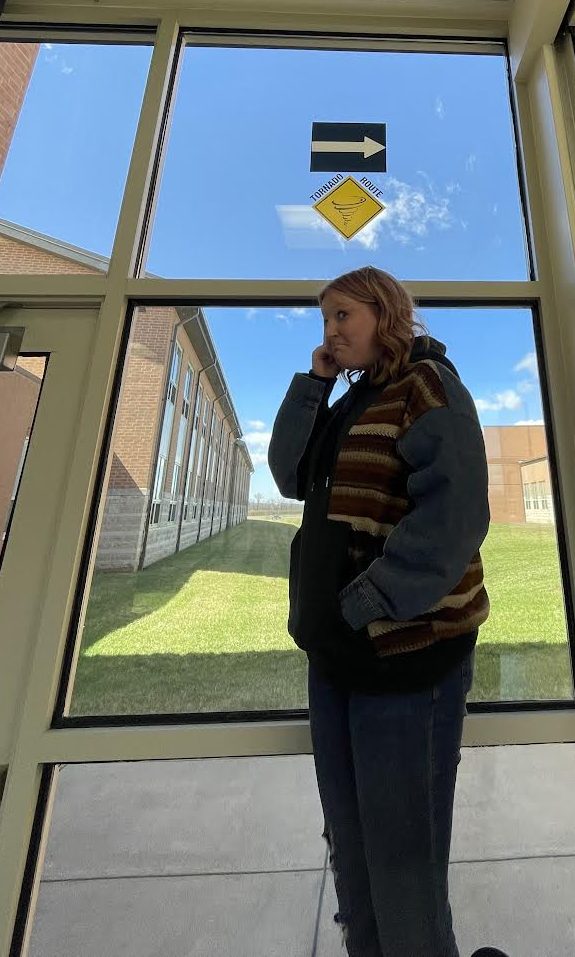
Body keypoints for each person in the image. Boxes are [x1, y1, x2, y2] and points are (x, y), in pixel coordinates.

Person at [268, 266, 510, 957]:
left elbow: (456, 516)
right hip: (337, 653)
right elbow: (289, 475)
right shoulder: (352, 400)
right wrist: (314, 382)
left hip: (405, 657)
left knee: (402, 858)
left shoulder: (427, 386)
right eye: (325, 321)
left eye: (343, 315)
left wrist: (366, 603)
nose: (331, 331)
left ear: (385, 311)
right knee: (350, 841)